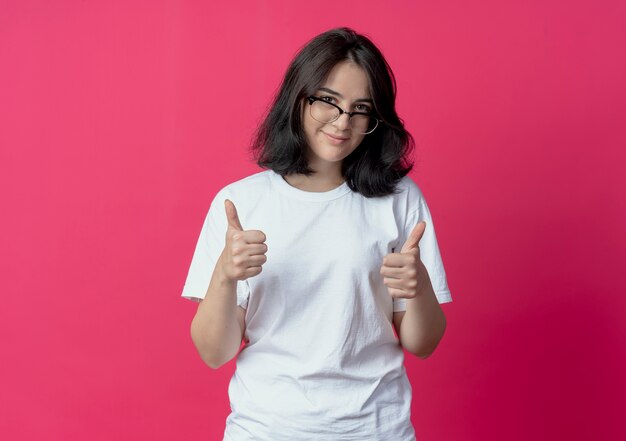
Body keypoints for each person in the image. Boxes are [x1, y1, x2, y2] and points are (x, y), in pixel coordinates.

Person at [181, 27, 453, 441]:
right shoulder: (240, 203)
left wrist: (419, 289)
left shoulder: (398, 200)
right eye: (328, 101)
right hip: (267, 430)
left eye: (361, 109)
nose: (343, 122)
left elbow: (423, 343)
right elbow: (213, 352)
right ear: (298, 96)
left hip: (376, 429)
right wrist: (224, 275)